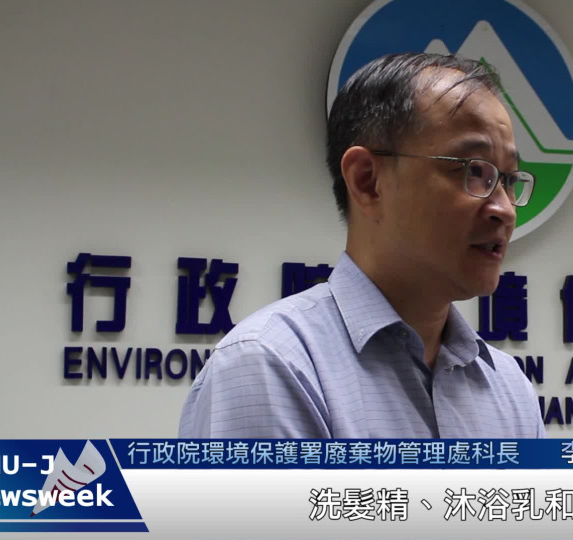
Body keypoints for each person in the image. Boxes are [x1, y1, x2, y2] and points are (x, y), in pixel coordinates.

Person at [178, 53, 546, 438]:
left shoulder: (510, 389)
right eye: (474, 171)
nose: (504, 209)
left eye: (508, 180)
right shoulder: (270, 364)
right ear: (367, 181)